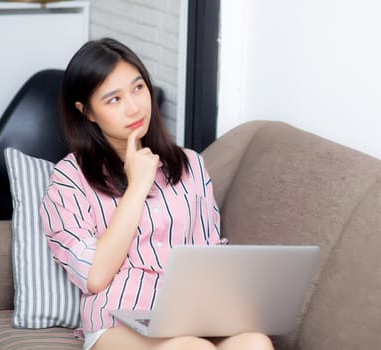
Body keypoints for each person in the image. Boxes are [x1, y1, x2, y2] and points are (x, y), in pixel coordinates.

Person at [39, 38, 274, 350]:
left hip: (191, 312)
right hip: (118, 319)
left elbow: (208, 251)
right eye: (114, 100)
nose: (134, 107)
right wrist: (136, 187)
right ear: (87, 112)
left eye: (138, 88)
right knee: (191, 348)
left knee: (255, 342)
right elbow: (94, 275)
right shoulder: (69, 178)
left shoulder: (190, 164)